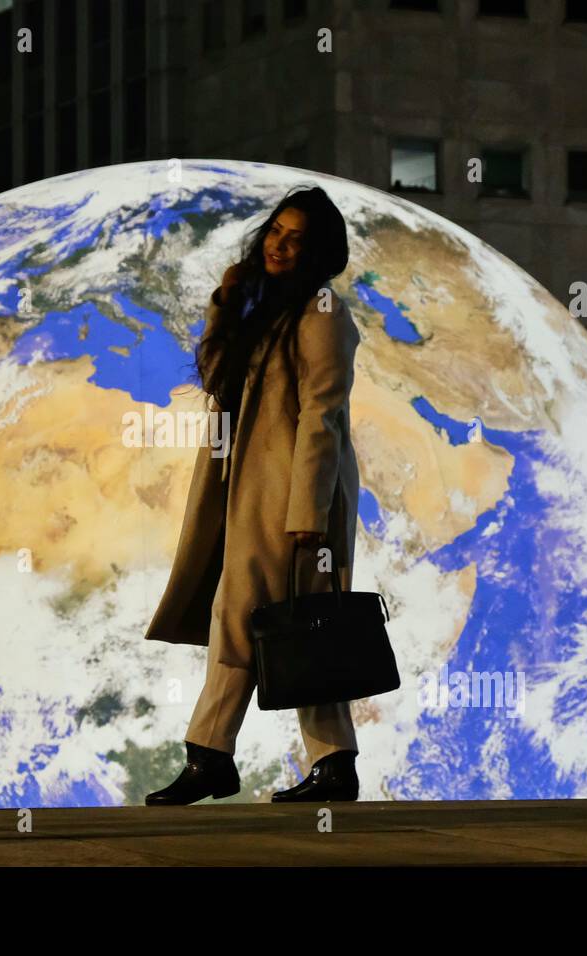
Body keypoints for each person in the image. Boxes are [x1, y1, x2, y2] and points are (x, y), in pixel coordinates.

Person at [143, 186, 362, 804]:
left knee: (260, 619)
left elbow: (323, 416)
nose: (280, 246)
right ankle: (329, 764)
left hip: (292, 497)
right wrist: (226, 300)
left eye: (297, 239)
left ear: (318, 251)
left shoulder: (321, 313)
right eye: (276, 232)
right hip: (247, 490)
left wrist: (308, 514)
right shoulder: (267, 309)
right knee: (280, 623)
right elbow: (216, 377)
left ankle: (212, 756)